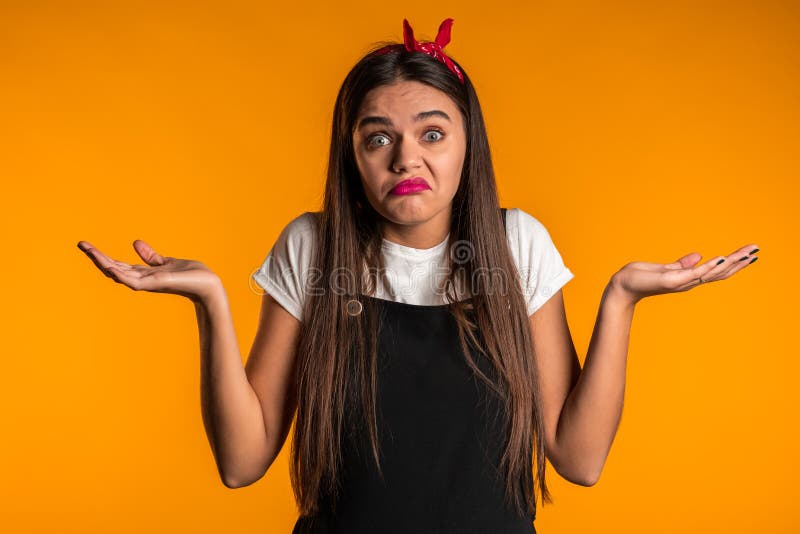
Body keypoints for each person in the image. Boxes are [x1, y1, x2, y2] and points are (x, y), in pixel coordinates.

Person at [76, 17, 760, 534]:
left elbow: (577, 461)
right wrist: (210, 303)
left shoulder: (517, 244)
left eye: (432, 133)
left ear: (468, 144)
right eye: (378, 138)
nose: (406, 157)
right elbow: (240, 463)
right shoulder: (312, 248)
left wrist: (622, 300)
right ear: (353, 157)